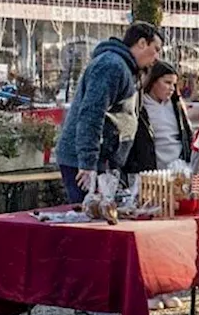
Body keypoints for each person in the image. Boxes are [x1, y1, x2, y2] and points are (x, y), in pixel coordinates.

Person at [56, 21, 163, 202]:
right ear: (142, 43)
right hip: (87, 161)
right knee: (90, 219)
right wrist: (88, 163)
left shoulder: (125, 68)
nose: (157, 56)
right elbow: (91, 113)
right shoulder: (112, 66)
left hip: (102, 159)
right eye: (156, 48)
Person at [124, 59, 192, 174]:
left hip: (179, 168)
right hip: (151, 169)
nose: (172, 88)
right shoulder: (139, 106)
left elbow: (187, 134)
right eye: (167, 82)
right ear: (153, 81)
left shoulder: (177, 105)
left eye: (174, 84)